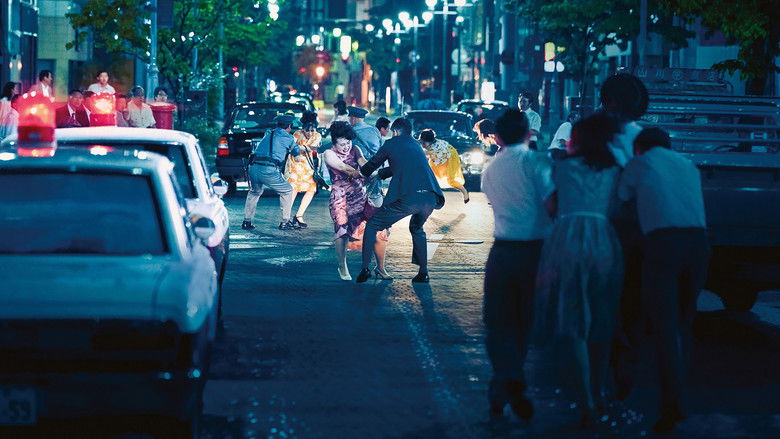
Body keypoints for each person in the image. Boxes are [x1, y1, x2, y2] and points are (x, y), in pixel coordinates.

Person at [535, 112, 624, 427]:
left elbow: (550, 206)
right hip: (603, 240)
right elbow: (618, 206)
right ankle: (600, 393)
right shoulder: (614, 168)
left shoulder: (561, 166)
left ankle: (586, 400)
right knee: (601, 318)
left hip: (569, 238)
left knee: (574, 321)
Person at [618, 127, 709, 434]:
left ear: (639, 148)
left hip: (663, 245)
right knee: (685, 322)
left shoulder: (639, 163)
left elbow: (622, 199)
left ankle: (671, 403)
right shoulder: (688, 164)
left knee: (664, 326)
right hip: (699, 245)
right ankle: (681, 392)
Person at [480, 109, 554, 421]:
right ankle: (511, 381)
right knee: (523, 322)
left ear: (496, 137)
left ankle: (503, 387)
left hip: (501, 251)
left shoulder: (490, 169)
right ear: (528, 132)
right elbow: (553, 205)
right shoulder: (536, 162)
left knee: (498, 323)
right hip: (534, 252)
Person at [356, 118, 445, 284]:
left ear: (395, 131)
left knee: (373, 224)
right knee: (417, 228)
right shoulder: (416, 145)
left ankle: (365, 268)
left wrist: (361, 163)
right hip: (430, 197)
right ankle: (423, 273)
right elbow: (403, 165)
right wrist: (381, 174)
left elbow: (370, 166)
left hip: (409, 197)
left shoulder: (391, 143)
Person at [322, 122, 390, 281]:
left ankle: (380, 268)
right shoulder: (328, 153)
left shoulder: (355, 149)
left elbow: (363, 162)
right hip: (340, 198)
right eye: (342, 144)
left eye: (348, 143)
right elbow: (343, 167)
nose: (346, 147)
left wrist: (373, 170)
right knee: (342, 230)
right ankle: (342, 265)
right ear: (334, 143)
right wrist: (365, 174)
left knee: (379, 230)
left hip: (360, 195)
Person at [242, 114, 301, 231]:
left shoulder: (268, 133)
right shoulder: (288, 138)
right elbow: (296, 151)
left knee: (255, 192)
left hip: (253, 167)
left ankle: (246, 222)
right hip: (268, 170)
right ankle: (285, 222)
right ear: (289, 126)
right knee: (287, 190)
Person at [286, 111, 321, 228]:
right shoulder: (297, 133)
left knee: (311, 189)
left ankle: (299, 215)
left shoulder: (317, 135)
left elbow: (310, 148)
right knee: (293, 190)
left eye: (312, 130)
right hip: (295, 164)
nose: (310, 133)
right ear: (303, 128)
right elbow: (291, 147)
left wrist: (299, 147)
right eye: (307, 130)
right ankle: (286, 217)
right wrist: (305, 148)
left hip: (308, 166)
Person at [418, 129, 469, 203]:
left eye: (423, 143)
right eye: (421, 143)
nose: (422, 145)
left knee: (451, 180)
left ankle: (465, 192)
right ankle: (431, 196)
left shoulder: (434, 149)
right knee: (431, 177)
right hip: (440, 159)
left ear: (430, 141)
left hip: (450, 159)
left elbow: (422, 154)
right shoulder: (433, 143)